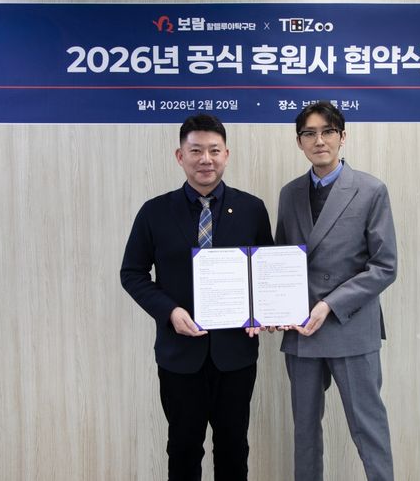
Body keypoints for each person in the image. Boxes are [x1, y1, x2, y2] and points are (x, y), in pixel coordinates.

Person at [120, 114, 273, 481]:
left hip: (235, 354)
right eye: (196, 151)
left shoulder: (251, 208)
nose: (206, 159)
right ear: (180, 156)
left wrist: (262, 311)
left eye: (214, 151)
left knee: (233, 447)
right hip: (179, 354)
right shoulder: (155, 211)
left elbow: (266, 272)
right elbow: (132, 273)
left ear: (226, 155)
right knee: (183, 448)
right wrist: (169, 311)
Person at [275, 101, 398, 481]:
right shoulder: (290, 193)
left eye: (328, 131)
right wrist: (272, 307)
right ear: (299, 142)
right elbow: (280, 260)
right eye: (309, 133)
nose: (319, 140)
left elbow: (385, 266)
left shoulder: (371, 189)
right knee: (305, 433)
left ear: (342, 137)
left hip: (350, 325)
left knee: (368, 430)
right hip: (301, 330)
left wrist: (329, 304)